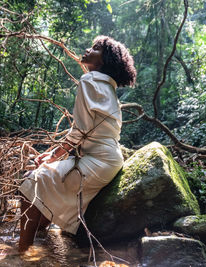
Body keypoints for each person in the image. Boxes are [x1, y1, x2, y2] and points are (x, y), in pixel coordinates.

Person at [18, 35, 137, 252]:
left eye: (95, 48)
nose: (87, 49)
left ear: (104, 60)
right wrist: (57, 155)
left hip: (98, 161)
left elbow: (80, 130)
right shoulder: (108, 88)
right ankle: (40, 248)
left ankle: (20, 252)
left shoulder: (89, 80)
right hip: (108, 160)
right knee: (44, 186)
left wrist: (53, 155)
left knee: (32, 181)